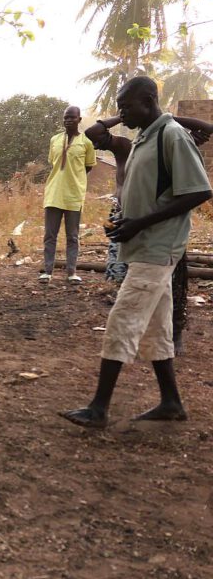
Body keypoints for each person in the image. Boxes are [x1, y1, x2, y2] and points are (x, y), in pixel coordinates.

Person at [62, 77, 212, 429]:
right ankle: (171, 402)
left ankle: (99, 408)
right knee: (157, 328)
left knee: (122, 318)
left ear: (148, 100)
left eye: (126, 106)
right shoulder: (144, 137)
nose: (121, 113)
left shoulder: (170, 135)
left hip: (158, 248)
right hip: (143, 244)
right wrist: (128, 225)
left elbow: (199, 191)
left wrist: (141, 223)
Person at [86, 113, 212, 353]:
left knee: (168, 286)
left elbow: (208, 129)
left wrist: (164, 115)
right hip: (126, 222)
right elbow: (93, 133)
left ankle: (172, 336)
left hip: (160, 231)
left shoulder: (171, 141)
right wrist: (122, 116)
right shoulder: (127, 147)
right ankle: (158, 346)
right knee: (134, 283)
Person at [41, 106, 96, 283]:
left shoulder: (86, 143)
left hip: (74, 195)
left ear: (79, 120)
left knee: (72, 236)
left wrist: (75, 180)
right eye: (65, 118)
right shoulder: (55, 140)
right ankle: (48, 271)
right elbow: (54, 163)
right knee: (50, 235)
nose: (68, 121)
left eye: (72, 118)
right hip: (53, 194)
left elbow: (88, 166)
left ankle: (71, 272)